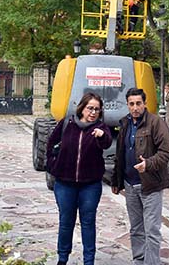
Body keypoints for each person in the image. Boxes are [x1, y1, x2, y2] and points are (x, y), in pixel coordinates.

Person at [46, 92, 113, 265]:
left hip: (89, 185)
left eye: (97, 109)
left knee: (88, 222)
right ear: (82, 108)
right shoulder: (67, 123)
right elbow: (50, 144)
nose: (93, 112)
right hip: (65, 184)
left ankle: (88, 260)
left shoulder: (100, 128)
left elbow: (107, 142)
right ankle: (62, 258)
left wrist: (101, 135)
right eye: (90, 108)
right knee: (66, 222)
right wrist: (53, 165)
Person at [111, 88, 169, 265]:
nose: (135, 107)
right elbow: (119, 154)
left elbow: (166, 152)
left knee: (152, 230)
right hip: (130, 185)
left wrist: (148, 164)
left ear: (144, 104)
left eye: (138, 103)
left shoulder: (155, 123)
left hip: (150, 185)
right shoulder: (125, 123)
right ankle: (139, 260)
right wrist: (116, 180)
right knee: (136, 228)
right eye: (131, 104)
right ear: (127, 105)